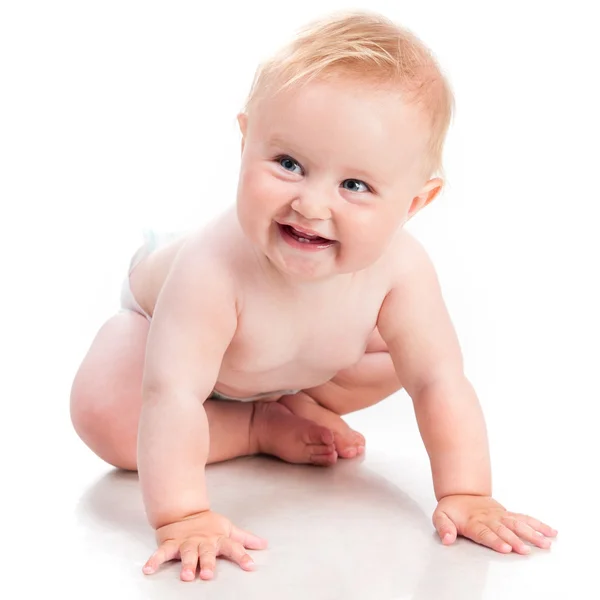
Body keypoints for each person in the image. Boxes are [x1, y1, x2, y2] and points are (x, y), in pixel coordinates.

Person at [70, 10, 557, 582]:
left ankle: (276, 407)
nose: (311, 204)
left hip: (288, 358)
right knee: (106, 414)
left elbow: (438, 381)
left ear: (415, 204)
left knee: (409, 356)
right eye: (288, 164)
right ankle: (255, 427)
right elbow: (172, 393)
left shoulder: (401, 270)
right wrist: (184, 516)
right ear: (246, 140)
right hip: (162, 338)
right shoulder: (210, 268)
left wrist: (469, 492)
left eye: (355, 185)